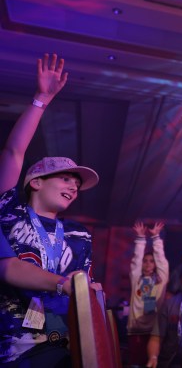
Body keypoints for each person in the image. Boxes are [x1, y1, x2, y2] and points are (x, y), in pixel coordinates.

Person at [0, 54, 100, 366]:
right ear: (36, 182)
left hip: (64, 345)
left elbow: (82, 288)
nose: (73, 186)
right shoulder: (10, 213)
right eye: (66, 178)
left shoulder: (79, 234)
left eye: (77, 184)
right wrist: (41, 99)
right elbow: (14, 152)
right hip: (13, 347)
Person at [127, 221, 170, 366]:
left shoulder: (160, 281)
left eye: (152, 261)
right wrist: (140, 238)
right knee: (136, 364)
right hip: (137, 331)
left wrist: (156, 238)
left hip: (154, 332)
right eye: (145, 261)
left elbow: (162, 262)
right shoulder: (136, 280)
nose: (148, 263)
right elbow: (136, 260)